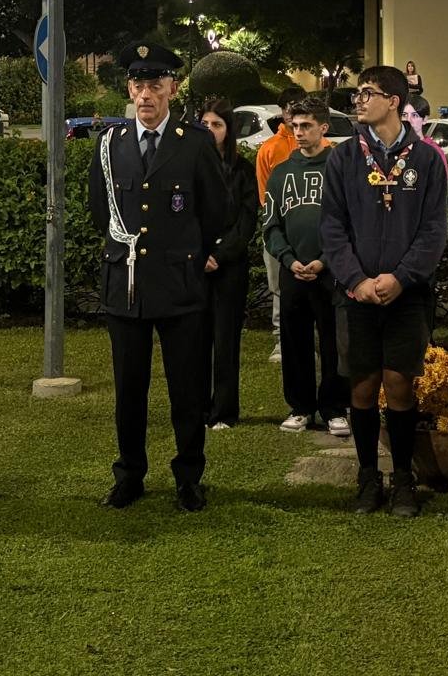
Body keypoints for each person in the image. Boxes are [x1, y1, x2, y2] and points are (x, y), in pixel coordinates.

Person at [89, 41, 231, 512]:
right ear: (129, 89)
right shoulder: (111, 144)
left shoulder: (194, 142)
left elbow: (216, 210)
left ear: (172, 88)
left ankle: (189, 477)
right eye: (138, 85)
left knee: (187, 389)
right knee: (129, 389)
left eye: (155, 85)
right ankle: (129, 476)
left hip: (179, 284)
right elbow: (100, 209)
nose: (145, 94)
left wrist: (189, 253)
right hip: (126, 284)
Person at [320, 65, 448, 519]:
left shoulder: (427, 159)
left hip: (406, 294)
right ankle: (367, 476)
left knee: (398, 383)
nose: (359, 101)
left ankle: (403, 478)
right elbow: (331, 226)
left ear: (394, 101)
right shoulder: (344, 157)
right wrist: (356, 280)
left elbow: (434, 229)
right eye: (357, 94)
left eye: (368, 93)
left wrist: (402, 276)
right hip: (355, 294)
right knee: (362, 385)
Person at [264, 97, 349, 437]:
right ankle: (300, 407)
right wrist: (289, 259)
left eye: (306, 126)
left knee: (332, 341)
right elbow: (271, 225)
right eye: (295, 126)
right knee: (294, 341)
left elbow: (349, 223)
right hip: (294, 270)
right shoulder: (281, 173)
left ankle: (334, 408)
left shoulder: (339, 170)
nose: (298, 132)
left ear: (323, 127)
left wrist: (324, 260)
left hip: (331, 272)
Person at [199, 98, 258, 431]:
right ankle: (198, 408)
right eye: (205, 124)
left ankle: (223, 410)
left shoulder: (243, 170)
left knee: (225, 340)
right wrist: (200, 253)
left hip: (230, 267)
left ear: (228, 130)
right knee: (195, 339)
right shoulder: (190, 166)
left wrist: (219, 255)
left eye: (217, 125)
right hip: (196, 264)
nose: (210, 131)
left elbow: (247, 221)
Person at [255, 101, 300, 363]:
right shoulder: (269, 148)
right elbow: (264, 195)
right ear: (282, 111)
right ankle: (281, 339)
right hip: (278, 228)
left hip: (308, 232)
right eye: (288, 108)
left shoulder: (326, 148)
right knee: (278, 285)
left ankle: (310, 339)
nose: (292, 114)